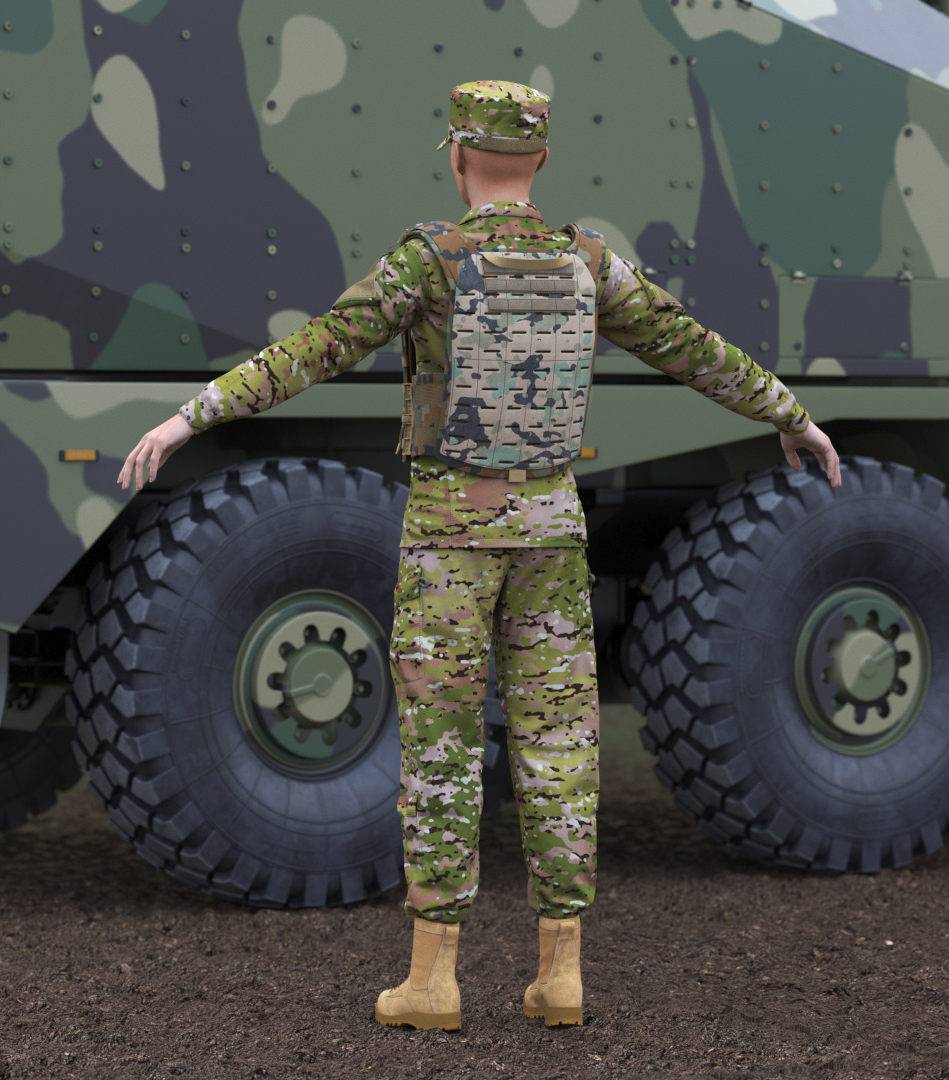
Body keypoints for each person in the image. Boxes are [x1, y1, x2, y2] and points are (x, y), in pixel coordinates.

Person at [117, 80, 841, 1031]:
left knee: (444, 748)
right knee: (560, 745)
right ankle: (562, 973)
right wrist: (790, 416)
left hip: (452, 533)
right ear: (540, 161)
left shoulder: (433, 260)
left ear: (456, 157)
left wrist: (188, 417)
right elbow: (691, 347)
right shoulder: (590, 261)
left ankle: (435, 980)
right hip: (550, 531)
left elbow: (318, 349)